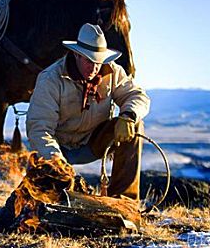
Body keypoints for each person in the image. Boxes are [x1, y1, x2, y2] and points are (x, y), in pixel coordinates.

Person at [26, 23, 150, 200]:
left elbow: (136, 95)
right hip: (57, 148)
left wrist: (128, 115)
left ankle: (124, 201)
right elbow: (39, 129)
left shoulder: (113, 72)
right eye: (89, 61)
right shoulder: (51, 79)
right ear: (77, 54)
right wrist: (58, 163)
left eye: (99, 63)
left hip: (93, 143)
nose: (94, 68)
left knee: (135, 124)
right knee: (43, 199)